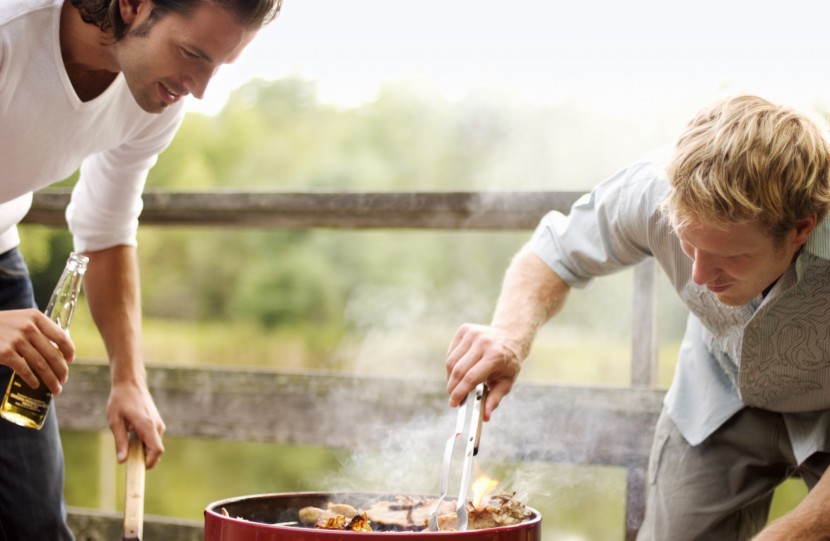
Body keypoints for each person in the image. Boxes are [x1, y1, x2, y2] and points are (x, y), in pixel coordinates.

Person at [444, 94, 830, 540]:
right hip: (718, 394)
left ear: (802, 228)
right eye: (688, 245)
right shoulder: (654, 187)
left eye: (732, 256)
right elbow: (554, 253)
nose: (699, 276)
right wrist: (510, 336)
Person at [0, 0, 282, 538]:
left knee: (33, 521)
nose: (198, 88)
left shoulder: (156, 91)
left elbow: (105, 228)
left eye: (217, 66)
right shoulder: (9, 33)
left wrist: (128, 379)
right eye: (192, 54)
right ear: (132, 5)